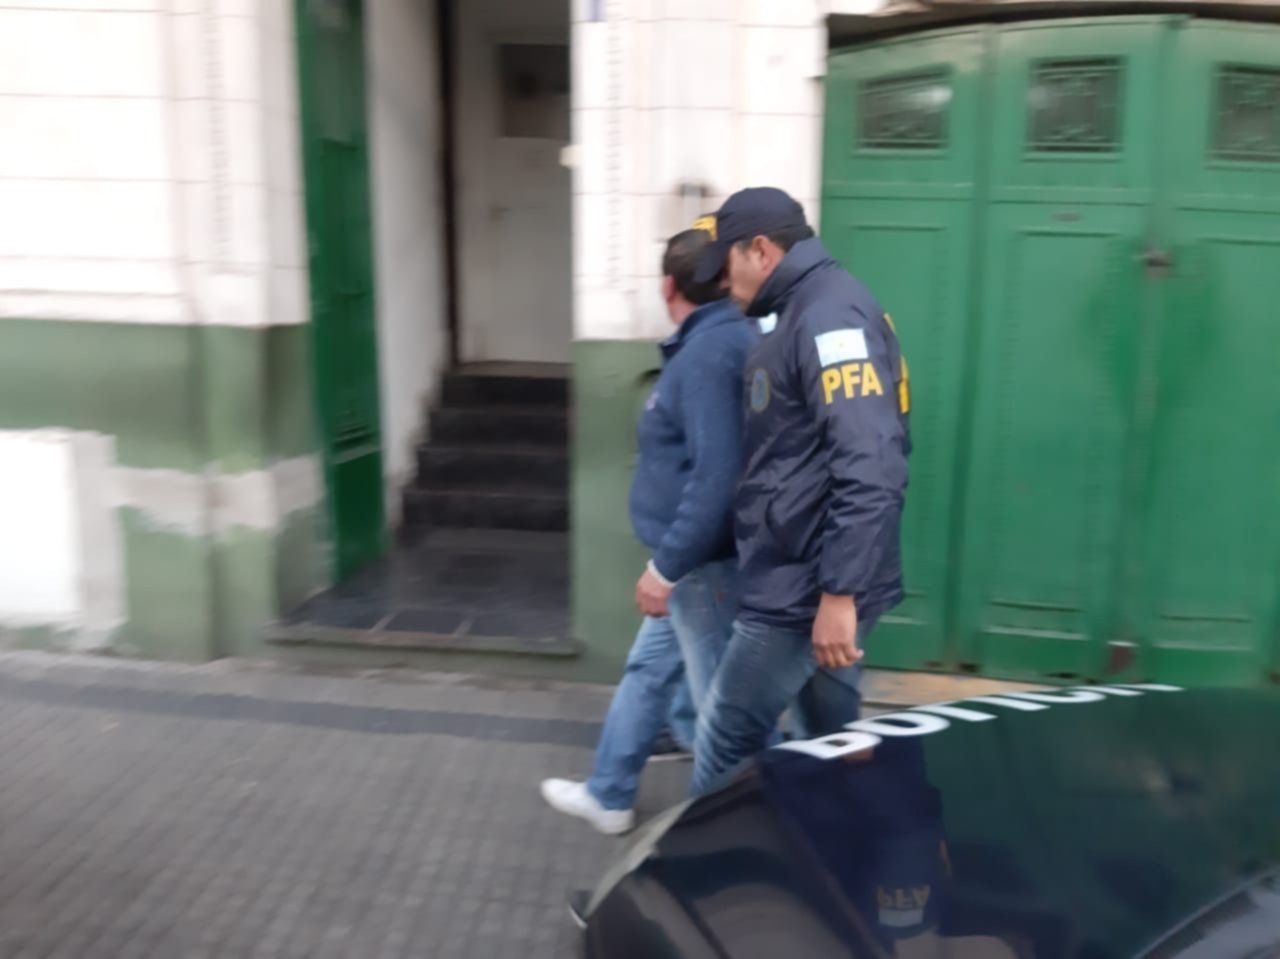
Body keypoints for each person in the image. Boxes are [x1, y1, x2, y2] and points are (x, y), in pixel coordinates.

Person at [687, 187, 911, 796]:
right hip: (812, 574)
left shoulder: (828, 317)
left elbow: (871, 463)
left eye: (726, 266)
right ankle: (844, 840)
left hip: (804, 587)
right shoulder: (807, 309)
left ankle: (706, 853)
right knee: (827, 741)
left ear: (761, 251)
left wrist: (839, 593)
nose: (722, 284)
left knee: (726, 733)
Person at [541, 227, 755, 833]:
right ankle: (610, 794)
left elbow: (717, 477)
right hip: (694, 563)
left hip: (699, 568)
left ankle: (735, 834)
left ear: (667, 287)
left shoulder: (709, 355)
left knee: (722, 710)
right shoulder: (719, 342)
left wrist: (667, 567)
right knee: (650, 671)